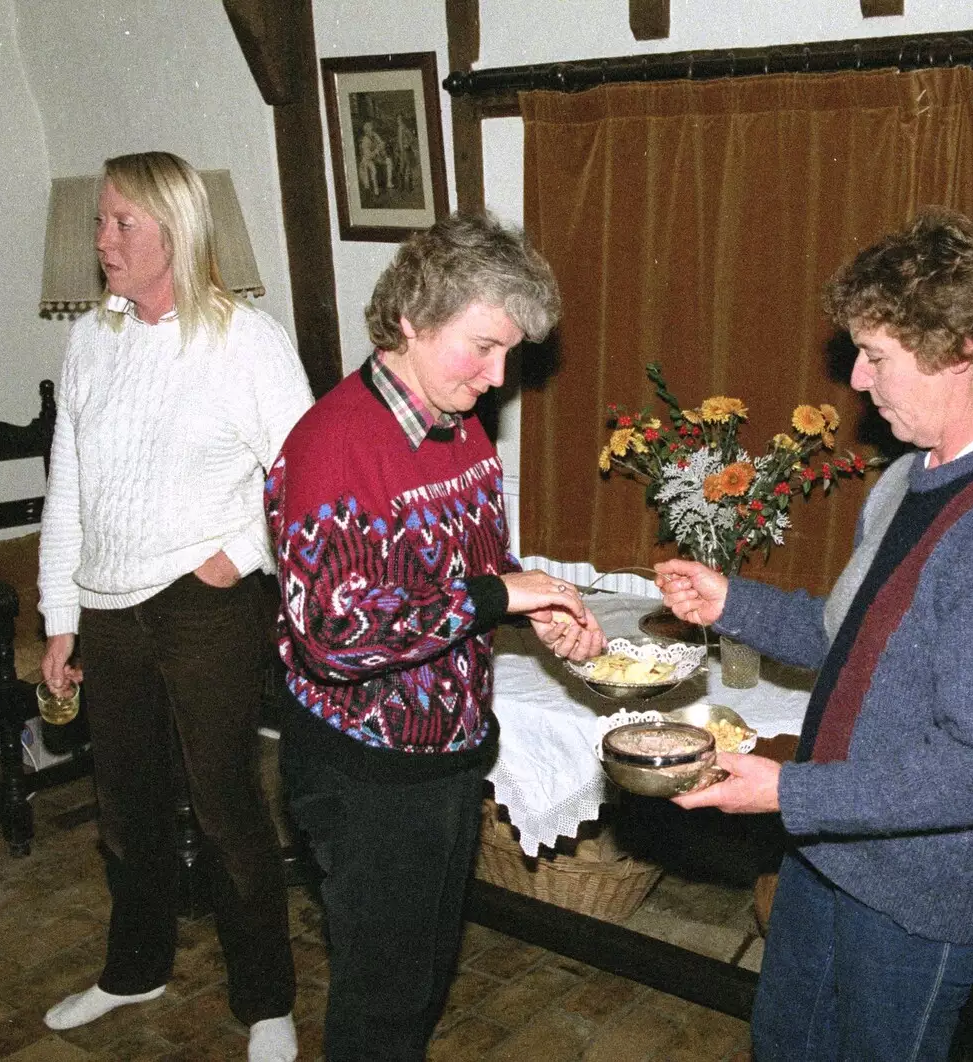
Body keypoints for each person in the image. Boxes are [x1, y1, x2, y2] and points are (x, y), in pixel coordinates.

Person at [654, 209, 973, 1062]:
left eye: (878, 357)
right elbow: (853, 638)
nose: (859, 383)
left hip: (917, 895)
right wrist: (732, 604)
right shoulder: (912, 476)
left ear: (964, 349)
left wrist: (787, 794)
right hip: (833, 852)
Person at [265, 212, 606, 1061]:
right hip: (365, 770)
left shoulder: (458, 425)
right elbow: (334, 635)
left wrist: (540, 601)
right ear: (412, 318)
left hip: (443, 754)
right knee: (382, 1000)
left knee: (415, 980)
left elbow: (477, 563)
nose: (496, 378)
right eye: (482, 347)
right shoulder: (335, 445)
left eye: (509, 354)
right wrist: (499, 594)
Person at [36, 151, 312, 1061]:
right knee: (126, 807)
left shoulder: (247, 339)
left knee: (226, 805)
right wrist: (58, 619)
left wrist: (238, 559)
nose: (103, 240)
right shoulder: (92, 340)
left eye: (123, 224)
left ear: (176, 233)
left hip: (204, 608)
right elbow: (68, 490)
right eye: (101, 222)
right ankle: (134, 967)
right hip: (106, 607)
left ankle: (266, 1000)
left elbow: (305, 482)